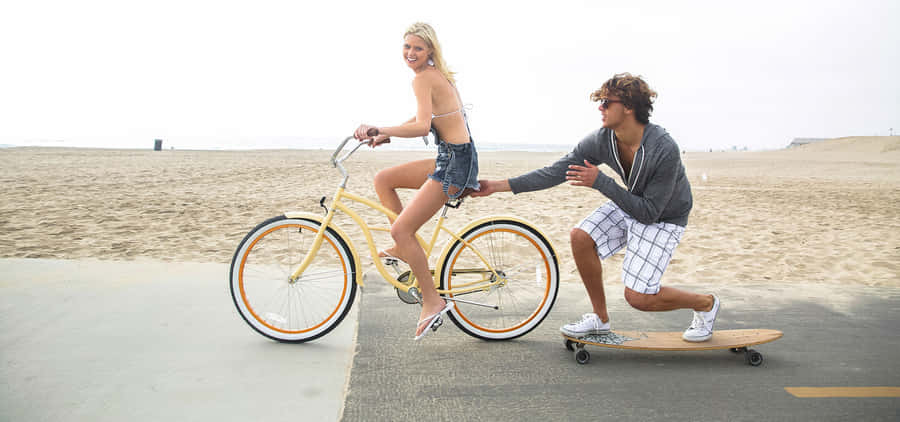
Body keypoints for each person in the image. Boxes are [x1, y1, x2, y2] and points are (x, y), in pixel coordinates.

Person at [471, 73, 720, 342]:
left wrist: (601, 182)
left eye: (605, 102)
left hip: (664, 217)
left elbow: (649, 214)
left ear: (628, 106)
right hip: (633, 202)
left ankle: (706, 304)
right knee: (581, 237)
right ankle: (600, 320)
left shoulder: (663, 148)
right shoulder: (603, 140)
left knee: (639, 298)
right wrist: (497, 186)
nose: (599, 108)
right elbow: (555, 172)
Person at [354, 22, 479, 340]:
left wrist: (379, 127)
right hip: (453, 156)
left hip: (454, 163)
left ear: (431, 51)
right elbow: (427, 117)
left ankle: (432, 301)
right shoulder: (436, 76)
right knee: (384, 179)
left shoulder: (424, 78)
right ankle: (402, 247)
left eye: (418, 48)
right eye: (406, 47)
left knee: (401, 227)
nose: (411, 53)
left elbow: (423, 127)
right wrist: (386, 133)